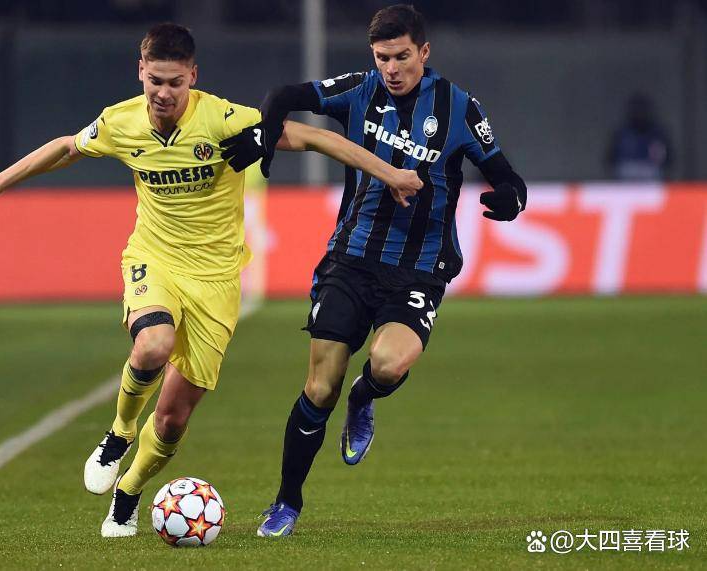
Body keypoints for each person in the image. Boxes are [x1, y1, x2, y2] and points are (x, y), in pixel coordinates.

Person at [0, 23, 422, 538]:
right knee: (153, 344)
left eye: (175, 82)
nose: (163, 93)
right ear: (141, 72)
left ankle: (127, 495)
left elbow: (317, 138)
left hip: (216, 283)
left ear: (193, 77)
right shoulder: (120, 122)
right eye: (155, 80)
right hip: (155, 259)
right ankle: (118, 434)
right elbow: (66, 148)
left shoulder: (223, 120)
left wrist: (391, 174)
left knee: (173, 419)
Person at [221, 4, 528, 537]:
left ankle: (365, 397)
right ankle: (287, 501)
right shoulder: (359, 90)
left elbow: (506, 175)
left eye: (401, 56)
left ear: (424, 52)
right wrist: (267, 136)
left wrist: (509, 200)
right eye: (382, 57)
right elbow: (284, 96)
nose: (391, 68)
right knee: (320, 387)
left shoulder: (458, 106)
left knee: (386, 364)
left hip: (419, 270)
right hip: (351, 259)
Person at [606, 93, 672, 181]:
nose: (639, 114)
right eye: (636, 110)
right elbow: (610, 159)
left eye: (642, 110)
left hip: (651, 174)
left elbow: (669, 160)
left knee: (651, 172)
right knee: (626, 170)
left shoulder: (658, 133)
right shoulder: (621, 133)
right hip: (627, 174)